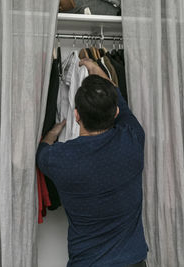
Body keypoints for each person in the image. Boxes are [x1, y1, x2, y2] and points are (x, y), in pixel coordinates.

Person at [36, 58, 148, 267]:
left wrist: (52, 133)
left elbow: (42, 151)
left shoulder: (60, 159)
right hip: (133, 262)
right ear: (114, 113)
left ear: (76, 115)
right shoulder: (133, 139)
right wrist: (98, 70)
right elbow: (120, 103)